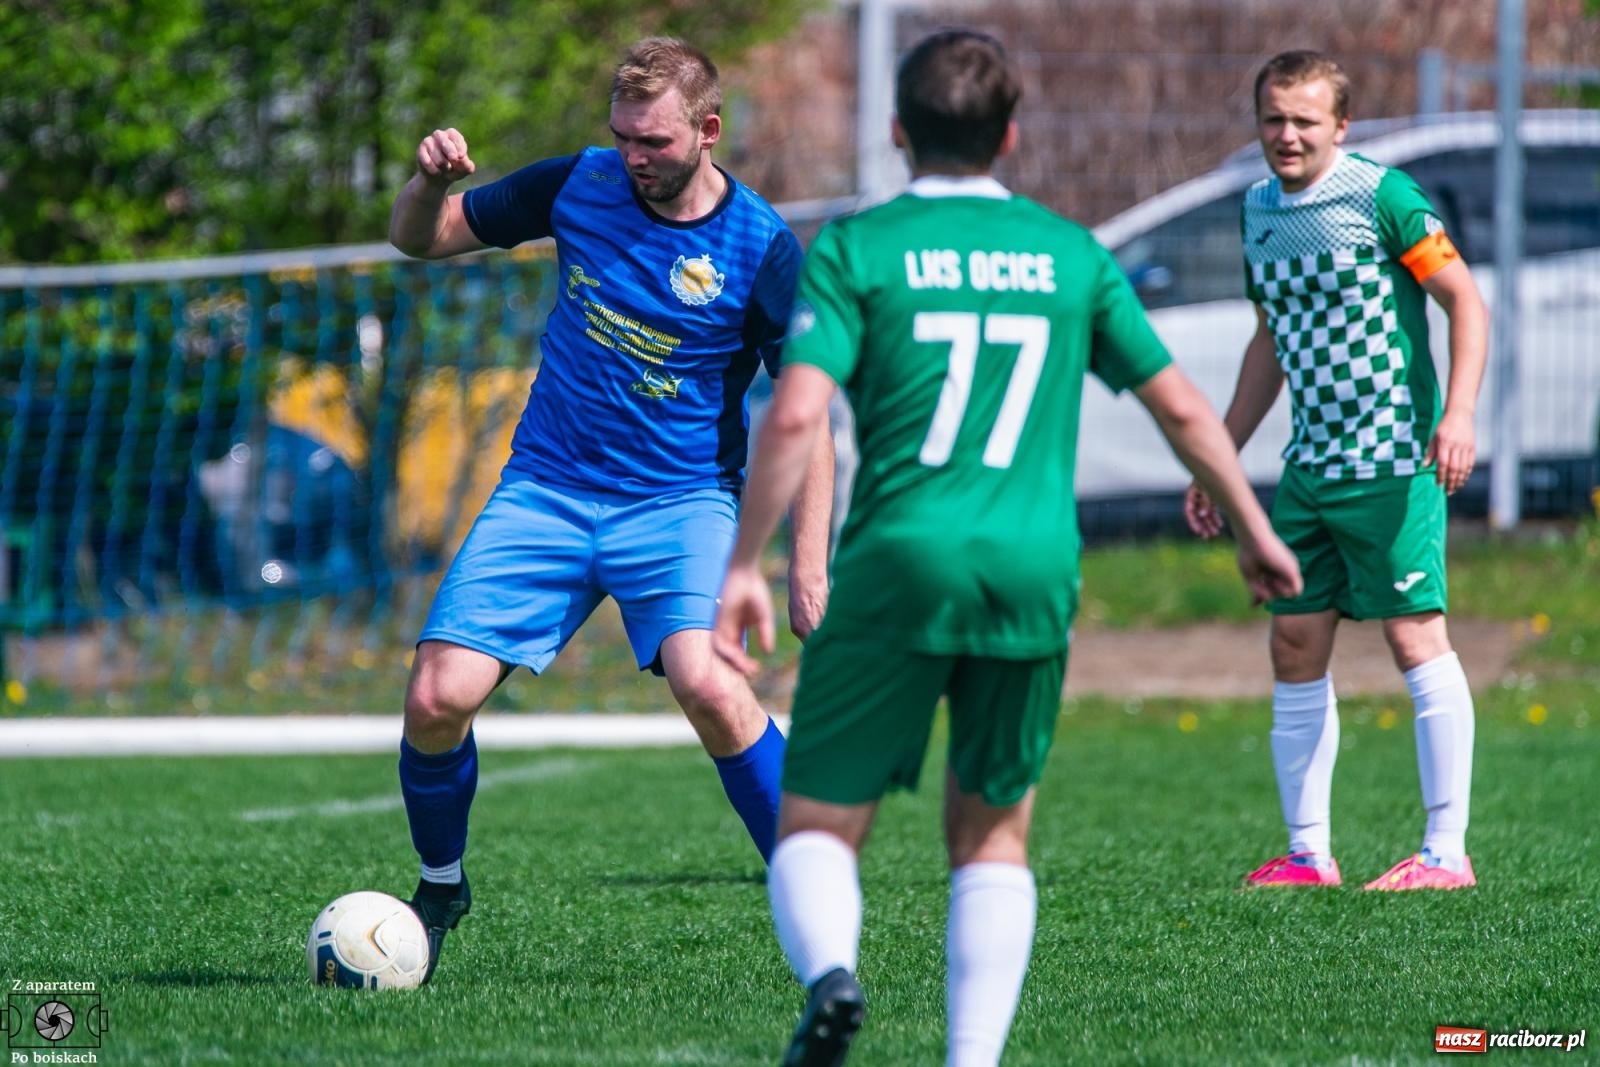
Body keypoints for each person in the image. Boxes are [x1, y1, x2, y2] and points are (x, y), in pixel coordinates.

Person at [713, 30, 1302, 1067]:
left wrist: (744, 563)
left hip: (899, 561)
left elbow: (797, 413)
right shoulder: (1070, 255)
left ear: (898, 132)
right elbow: (1180, 407)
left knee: (817, 821)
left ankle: (834, 975)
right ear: (1012, 136)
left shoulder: (859, 248)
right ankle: (973, 1056)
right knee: (992, 834)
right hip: (1032, 569)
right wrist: (1252, 529)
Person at [386, 36, 834, 983]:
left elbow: (808, 415)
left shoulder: (761, 248)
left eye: (655, 141)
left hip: (680, 502)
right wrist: (428, 183)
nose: (634, 157)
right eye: (624, 136)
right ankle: (441, 885)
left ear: (708, 131)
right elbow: (423, 238)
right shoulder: (577, 183)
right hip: (546, 489)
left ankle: (817, 894)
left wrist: (807, 564)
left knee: (711, 686)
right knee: (434, 700)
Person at [1184, 50, 1490, 891]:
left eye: (1304, 121)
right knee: (1293, 638)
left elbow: (1465, 300)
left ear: (1341, 126)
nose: (1287, 135)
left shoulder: (1384, 197)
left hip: (1394, 460)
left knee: (1413, 635)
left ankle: (1446, 852)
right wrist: (1219, 456)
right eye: (1273, 119)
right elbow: (1269, 341)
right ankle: (1308, 854)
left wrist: (1459, 413)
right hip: (1310, 468)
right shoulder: (1257, 211)